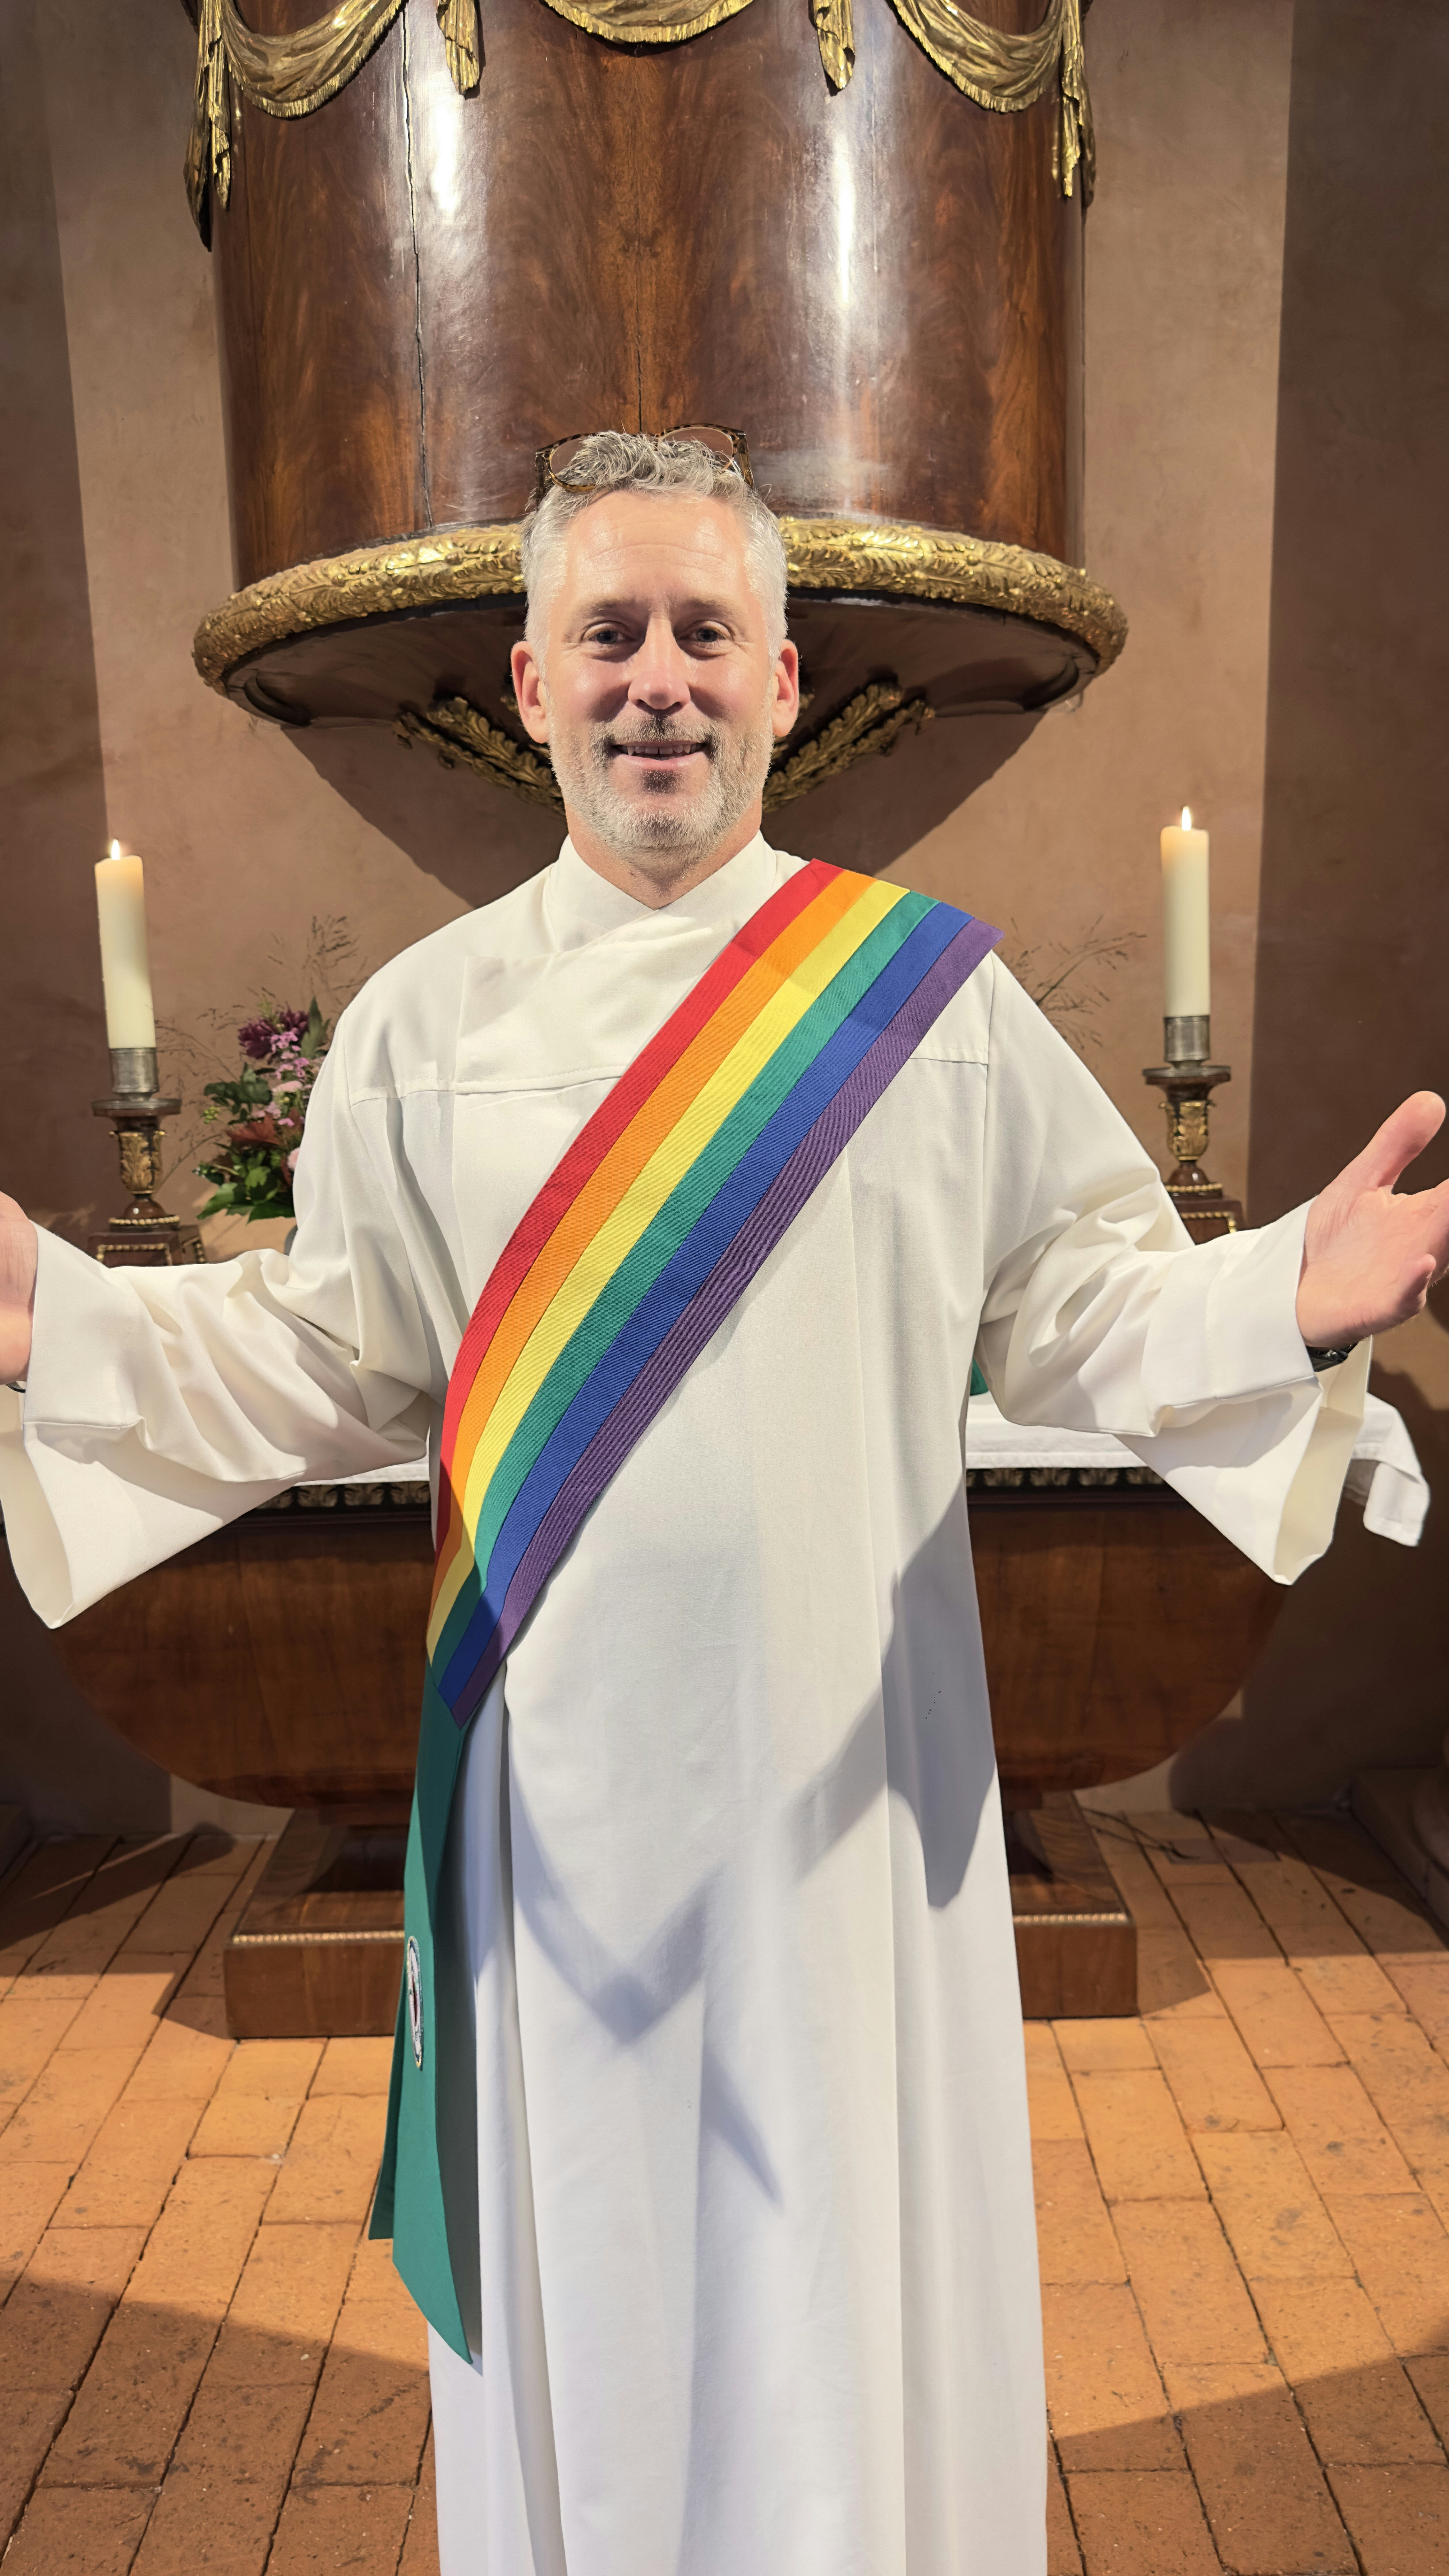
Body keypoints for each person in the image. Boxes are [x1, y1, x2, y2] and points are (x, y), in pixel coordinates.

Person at [1, 430, 1446, 2576]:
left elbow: (1075, 1317)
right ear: (528, 681)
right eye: (610, 634)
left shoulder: (924, 1003)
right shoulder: (425, 1024)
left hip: (848, 1808)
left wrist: (1274, 1307)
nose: (655, 678)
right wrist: (62, 1322)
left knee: (839, 2268)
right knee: (588, 2249)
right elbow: (327, 1353)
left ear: (784, 684)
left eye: (706, 632)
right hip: (550, 1806)